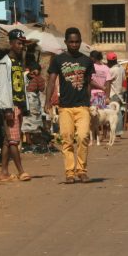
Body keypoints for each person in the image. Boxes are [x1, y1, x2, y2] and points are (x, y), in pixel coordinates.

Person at [46, 27, 98, 183]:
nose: (74, 45)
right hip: (65, 107)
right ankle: (69, 172)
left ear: (80, 42)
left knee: (83, 137)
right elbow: (51, 81)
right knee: (67, 139)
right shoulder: (58, 60)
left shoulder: (87, 61)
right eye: (71, 42)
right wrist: (47, 100)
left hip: (82, 106)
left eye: (77, 42)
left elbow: (88, 83)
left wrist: (90, 103)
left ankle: (82, 171)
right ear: (66, 42)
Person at [0, 29, 31, 182]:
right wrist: (7, 109)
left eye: (23, 44)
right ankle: (21, 171)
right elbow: (2, 87)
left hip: (19, 104)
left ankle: (4, 173)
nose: (22, 46)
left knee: (8, 141)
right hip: (10, 106)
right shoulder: (4, 62)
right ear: (11, 43)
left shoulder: (18, 62)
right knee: (14, 140)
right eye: (19, 43)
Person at [105, 52, 125, 137]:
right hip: (119, 93)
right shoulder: (121, 68)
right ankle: (118, 131)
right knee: (118, 112)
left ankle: (117, 131)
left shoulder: (112, 70)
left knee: (115, 113)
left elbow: (108, 82)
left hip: (113, 93)